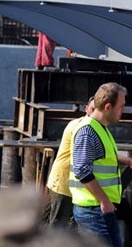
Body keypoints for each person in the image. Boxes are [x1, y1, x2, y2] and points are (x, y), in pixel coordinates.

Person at [69, 82, 132, 247]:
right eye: (121, 106)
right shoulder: (88, 131)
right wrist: (104, 201)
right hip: (94, 210)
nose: (123, 110)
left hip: (97, 209)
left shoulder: (101, 129)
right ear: (108, 107)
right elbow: (82, 170)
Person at [44, 96, 95, 228]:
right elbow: (84, 155)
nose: (95, 113)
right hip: (63, 183)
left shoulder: (93, 127)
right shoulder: (81, 127)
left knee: (71, 227)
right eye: (93, 109)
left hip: (76, 186)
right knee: (57, 226)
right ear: (86, 109)